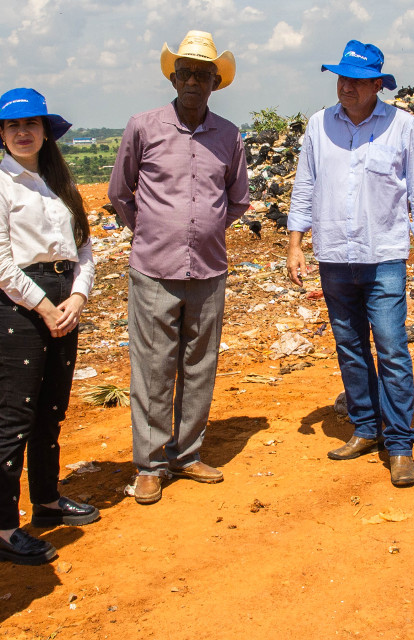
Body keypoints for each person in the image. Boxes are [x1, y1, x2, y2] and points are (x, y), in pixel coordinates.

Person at [107, 30, 249, 505]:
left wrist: (203, 229)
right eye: (185, 73)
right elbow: (119, 195)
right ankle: (149, 465)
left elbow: (236, 200)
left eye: (202, 74)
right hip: (152, 269)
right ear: (172, 78)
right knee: (151, 368)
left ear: (215, 82)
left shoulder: (229, 136)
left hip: (208, 271)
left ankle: (186, 455)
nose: (192, 80)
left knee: (199, 364)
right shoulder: (143, 127)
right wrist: (151, 231)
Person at [287, 40, 414, 487]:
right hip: (333, 255)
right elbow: (304, 186)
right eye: (341, 77)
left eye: (355, 79)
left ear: (377, 84)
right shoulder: (318, 124)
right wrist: (295, 244)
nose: (345, 86)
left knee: (391, 348)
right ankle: (367, 427)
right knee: (350, 347)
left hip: (384, 256)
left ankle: (400, 444)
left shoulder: (403, 126)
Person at [0, 88, 99, 565]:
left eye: (31, 125)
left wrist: (79, 297)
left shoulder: (58, 183)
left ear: (46, 131)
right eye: (12, 126)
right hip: (19, 309)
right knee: (16, 417)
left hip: (65, 302)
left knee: (51, 410)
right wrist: (45, 307)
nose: (23, 133)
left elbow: (83, 249)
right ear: (1, 134)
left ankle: (46, 501)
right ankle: (4, 530)